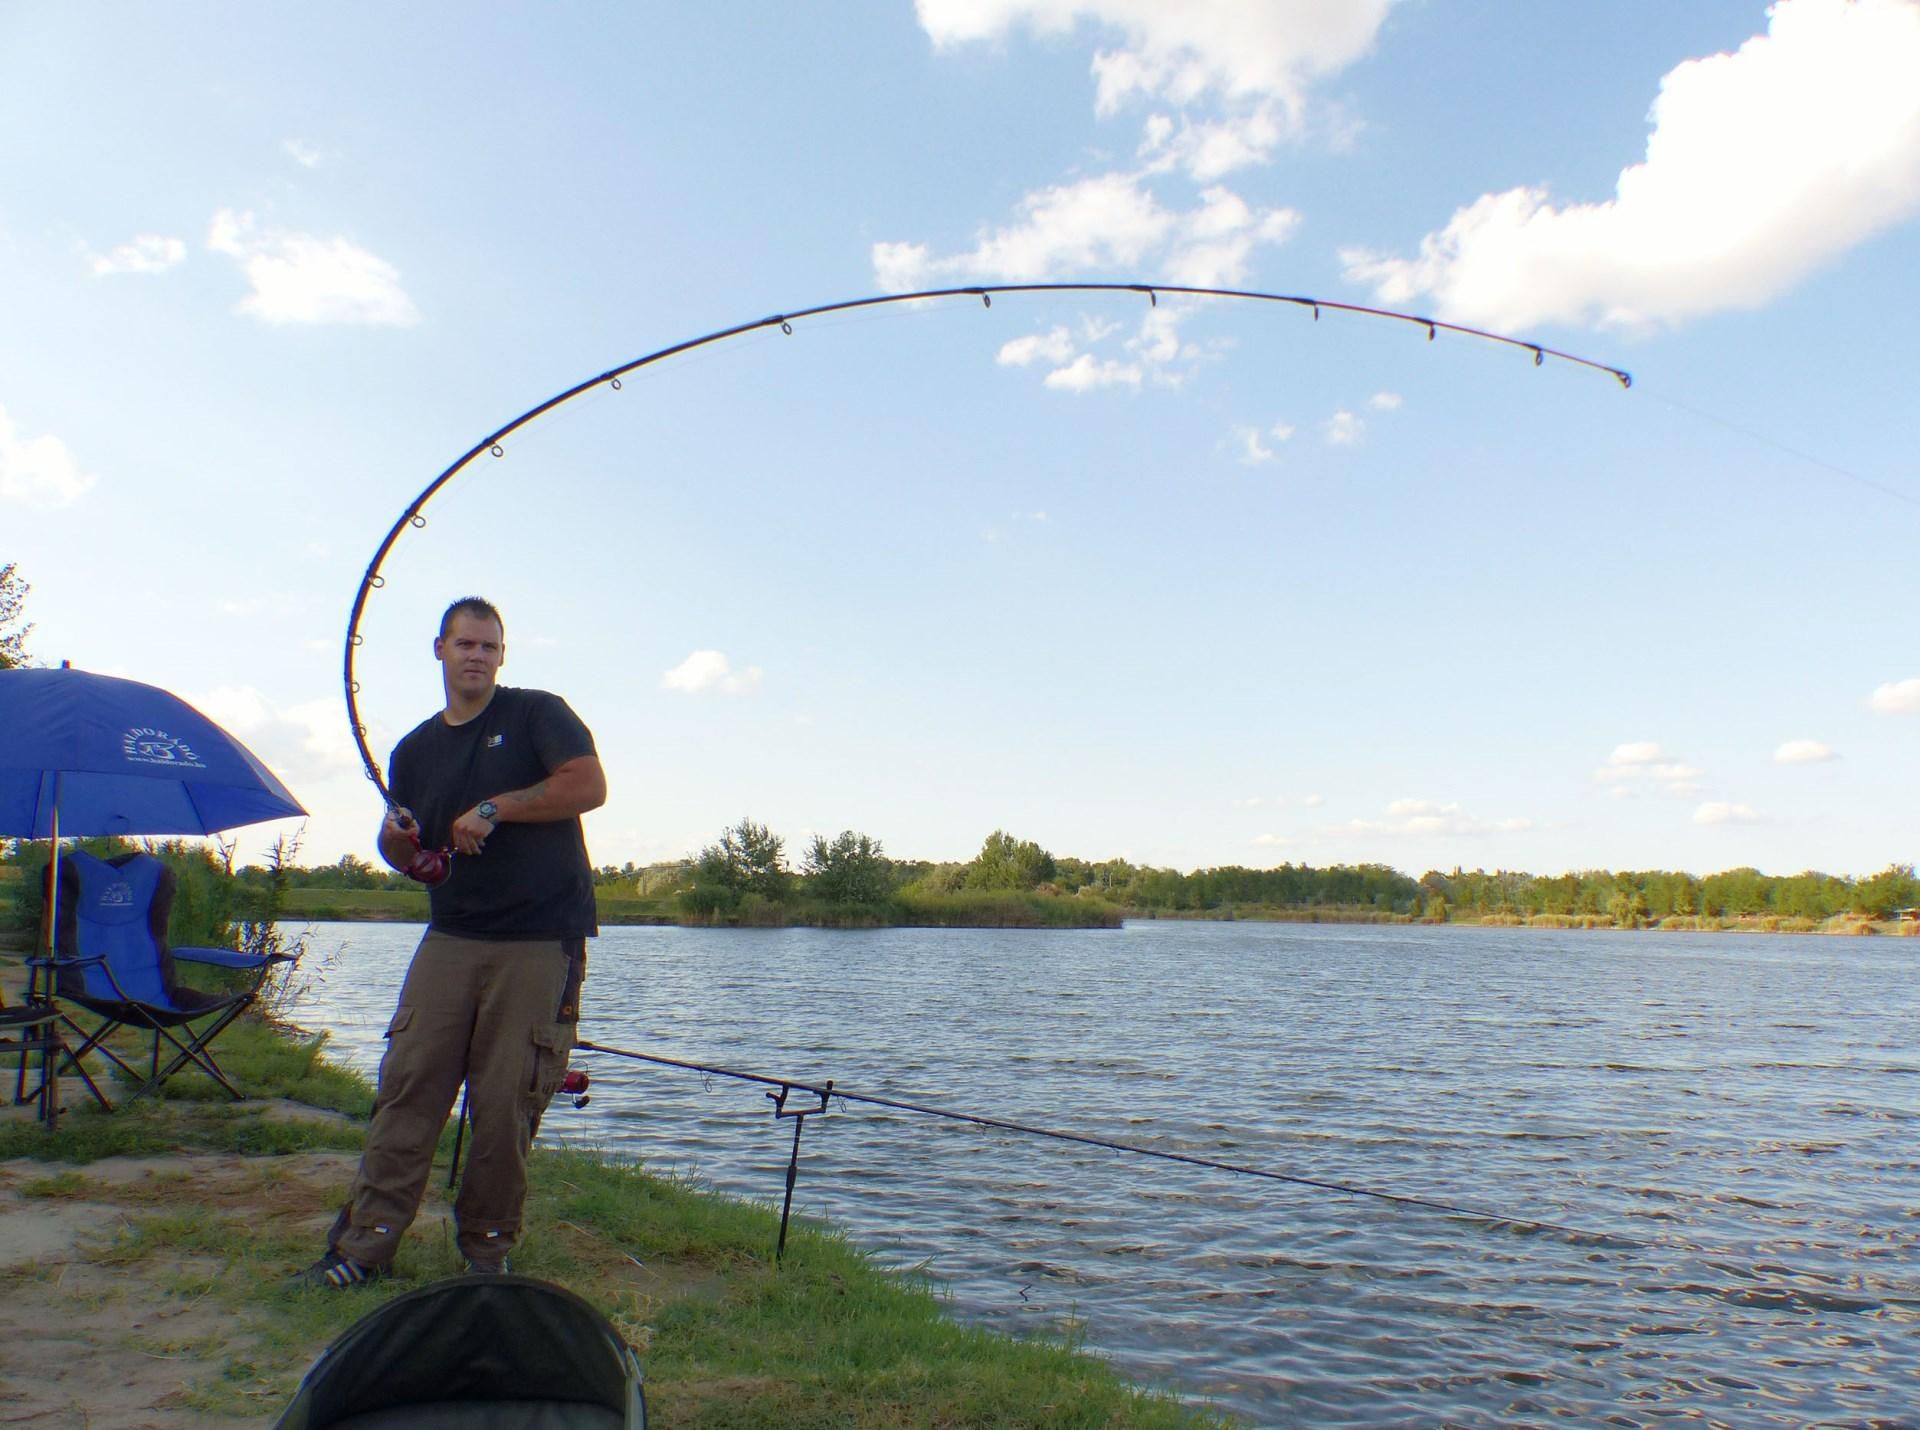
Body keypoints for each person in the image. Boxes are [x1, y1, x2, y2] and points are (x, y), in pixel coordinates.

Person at [296, 596, 606, 1287]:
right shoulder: (413, 750)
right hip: (450, 936)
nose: (477, 656)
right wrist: (398, 846)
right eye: (465, 644)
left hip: (538, 938)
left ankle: (487, 1255)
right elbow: (404, 850)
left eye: (490, 647)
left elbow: (588, 785)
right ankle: (362, 1250)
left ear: (502, 656)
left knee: (504, 1104)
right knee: (407, 1087)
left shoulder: (536, 714)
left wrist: (497, 808)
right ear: (440, 649)